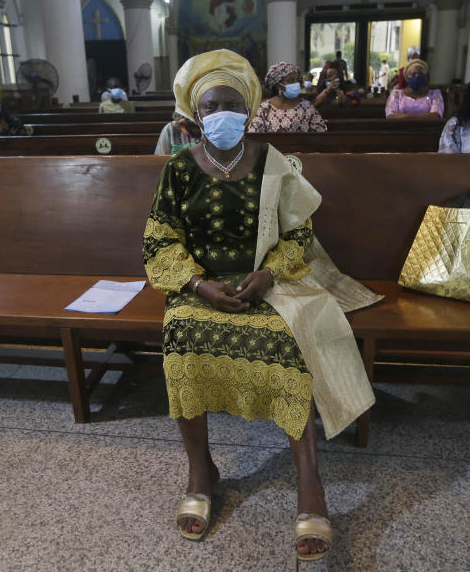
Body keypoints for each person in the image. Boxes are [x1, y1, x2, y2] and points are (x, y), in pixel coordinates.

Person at [143, 48, 378, 561]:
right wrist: (200, 285)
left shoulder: (274, 164)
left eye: (230, 103)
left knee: (293, 341)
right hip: (201, 285)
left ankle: (309, 480)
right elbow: (160, 243)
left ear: (248, 109)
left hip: (269, 282)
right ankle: (202, 469)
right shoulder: (179, 169)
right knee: (180, 335)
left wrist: (269, 273)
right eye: (210, 107)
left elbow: (299, 236)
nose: (220, 114)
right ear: (194, 113)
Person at [248, 62, 327, 133]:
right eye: (291, 80)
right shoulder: (264, 108)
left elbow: (320, 133)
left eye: (297, 80)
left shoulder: (306, 107)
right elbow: (254, 135)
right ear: (277, 85)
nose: (296, 84)